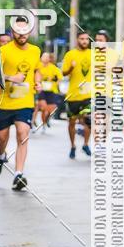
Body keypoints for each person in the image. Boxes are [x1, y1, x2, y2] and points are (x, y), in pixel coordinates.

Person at [0, 17, 41, 190]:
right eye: (18, 32)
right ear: (13, 33)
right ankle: (2, 154)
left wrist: (38, 82)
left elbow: (37, 69)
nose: (22, 35)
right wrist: (12, 78)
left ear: (29, 32)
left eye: (24, 31)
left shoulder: (35, 51)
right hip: (4, 102)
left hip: (25, 102)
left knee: (22, 133)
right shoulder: (3, 51)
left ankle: (19, 173)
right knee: (1, 137)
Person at [62, 31, 92, 159]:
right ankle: (73, 145)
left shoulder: (93, 54)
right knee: (72, 122)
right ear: (77, 40)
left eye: (86, 39)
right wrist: (71, 69)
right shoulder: (70, 54)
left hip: (88, 94)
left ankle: (85, 144)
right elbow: (64, 73)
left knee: (88, 119)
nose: (84, 41)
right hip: (73, 95)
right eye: (82, 38)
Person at [35, 52, 62, 129]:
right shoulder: (38, 66)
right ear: (41, 58)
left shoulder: (53, 67)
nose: (45, 58)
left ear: (49, 59)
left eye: (47, 57)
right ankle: (43, 124)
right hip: (41, 90)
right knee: (43, 108)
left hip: (51, 90)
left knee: (50, 109)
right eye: (44, 57)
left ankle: (46, 121)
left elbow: (60, 78)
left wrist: (56, 83)